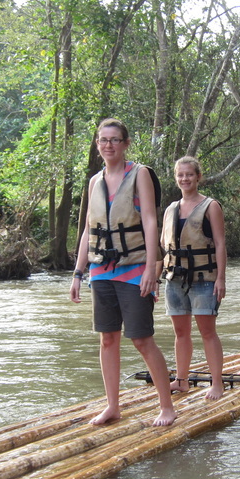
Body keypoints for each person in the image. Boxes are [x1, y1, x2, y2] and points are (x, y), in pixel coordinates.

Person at [70, 118, 176, 427]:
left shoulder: (139, 174)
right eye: (103, 140)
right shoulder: (94, 182)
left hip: (135, 267)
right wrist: (78, 273)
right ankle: (113, 406)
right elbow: (89, 229)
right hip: (100, 269)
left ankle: (167, 407)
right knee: (107, 339)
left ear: (125, 144)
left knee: (142, 339)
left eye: (115, 140)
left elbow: (150, 223)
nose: (108, 145)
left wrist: (151, 272)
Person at [160, 156, 227, 400]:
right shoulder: (170, 209)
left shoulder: (211, 206)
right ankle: (182, 380)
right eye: (180, 175)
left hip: (204, 278)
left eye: (189, 174)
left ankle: (217, 383)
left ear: (198, 177)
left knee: (207, 331)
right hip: (174, 278)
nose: (185, 179)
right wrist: (156, 278)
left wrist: (221, 278)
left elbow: (220, 244)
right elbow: (163, 248)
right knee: (180, 333)